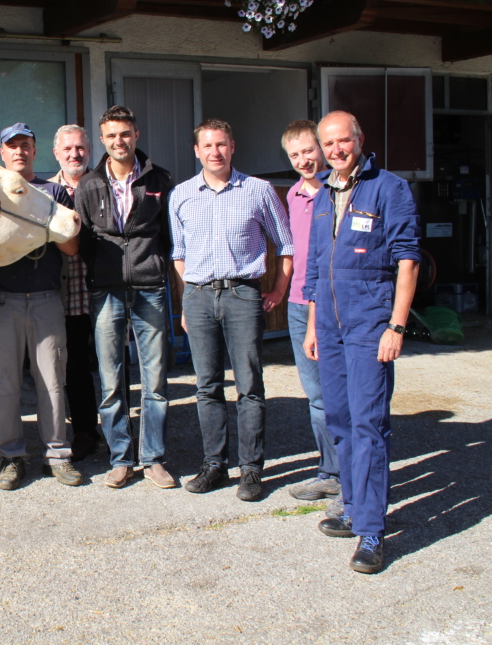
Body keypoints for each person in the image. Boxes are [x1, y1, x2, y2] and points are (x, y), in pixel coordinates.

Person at [304, 111, 420, 574]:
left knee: (369, 423)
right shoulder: (322, 195)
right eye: (327, 144)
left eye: (342, 142)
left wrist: (396, 326)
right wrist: (313, 325)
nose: (335, 150)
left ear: (359, 140)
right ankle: (351, 506)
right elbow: (316, 269)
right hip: (329, 325)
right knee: (340, 417)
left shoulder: (389, 188)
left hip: (370, 322)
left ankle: (372, 530)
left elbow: (407, 261)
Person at [170, 118, 294, 502]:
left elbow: (286, 245)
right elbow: (179, 255)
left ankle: (251, 470)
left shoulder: (258, 191)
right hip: (199, 295)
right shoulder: (182, 194)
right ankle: (213, 464)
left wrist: (277, 289)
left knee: (249, 385)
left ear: (233, 146)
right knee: (206, 386)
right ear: (197, 151)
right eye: (207, 146)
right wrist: (186, 303)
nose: (215, 152)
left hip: (243, 295)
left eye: (221, 144)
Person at [74, 106, 177, 490]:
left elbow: (169, 235)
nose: (120, 141)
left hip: (150, 288)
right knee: (111, 379)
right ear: (102, 140)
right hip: (106, 291)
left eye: (126, 134)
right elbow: (85, 240)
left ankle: (153, 459)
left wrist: (155, 265)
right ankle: (120, 459)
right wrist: (102, 267)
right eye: (112, 135)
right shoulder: (88, 185)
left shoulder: (160, 179)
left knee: (155, 380)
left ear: (136, 134)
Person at [0, 123, 82, 490]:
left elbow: (71, 246)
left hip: (45, 300)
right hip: (1, 302)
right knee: (5, 386)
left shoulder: (54, 192)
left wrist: (41, 222)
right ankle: (10, 457)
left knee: (52, 383)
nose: (19, 152)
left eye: (26, 145)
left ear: (35, 150)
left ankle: (58, 455)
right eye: (12, 146)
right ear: (2, 153)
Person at [280, 120, 343, 514]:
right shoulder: (293, 194)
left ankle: (352, 476)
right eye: (295, 154)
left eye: (309, 150)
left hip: (333, 303)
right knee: (316, 395)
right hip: (298, 304)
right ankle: (330, 472)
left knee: (341, 392)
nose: (304, 159)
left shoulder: (341, 192)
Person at [51, 124, 100, 463]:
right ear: (56, 153)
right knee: (76, 368)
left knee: (113, 367)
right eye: (67, 149)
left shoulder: (103, 185)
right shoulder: (47, 193)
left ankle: (119, 432)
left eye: (80, 148)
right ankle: (85, 432)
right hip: (68, 295)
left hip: (104, 291)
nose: (74, 154)